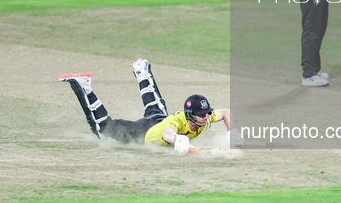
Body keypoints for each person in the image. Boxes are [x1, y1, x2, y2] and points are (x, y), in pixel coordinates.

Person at [58, 58, 234, 154]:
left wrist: (232, 132)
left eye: (206, 113)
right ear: (189, 115)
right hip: (142, 132)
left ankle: (142, 70)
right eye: (200, 115)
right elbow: (168, 132)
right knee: (102, 128)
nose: (205, 117)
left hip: (159, 119)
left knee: (155, 105)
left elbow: (226, 112)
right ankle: (83, 85)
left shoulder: (205, 116)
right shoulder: (177, 122)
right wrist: (178, 140)